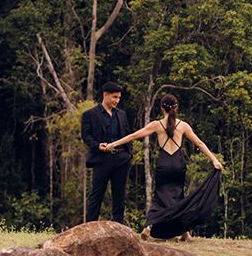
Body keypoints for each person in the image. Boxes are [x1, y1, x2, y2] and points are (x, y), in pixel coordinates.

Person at [102, 94, 223, 240]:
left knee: (160, 196)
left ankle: (150, 225)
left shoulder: (156, 125)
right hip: (178, 164)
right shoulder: (183, 126)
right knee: (178, 196)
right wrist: (214, 160)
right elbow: (199, 144)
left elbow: (133, 136)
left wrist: (113, 145)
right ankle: (185, 233)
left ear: (161, 108)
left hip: (163, 164)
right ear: (176, 107)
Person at [81, 81, 133, 224]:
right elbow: (86, 136)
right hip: (101, 159)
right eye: (114, 97)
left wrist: (129, 154)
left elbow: (128, 135)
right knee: (96, 194)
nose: (117, 100)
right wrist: (98, 146)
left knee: (119, 195)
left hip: (121, 158)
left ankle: (119, 227)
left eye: (118, 98)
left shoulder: (122, 114)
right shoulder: (90, 114)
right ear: (105, 95)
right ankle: (90, 227)